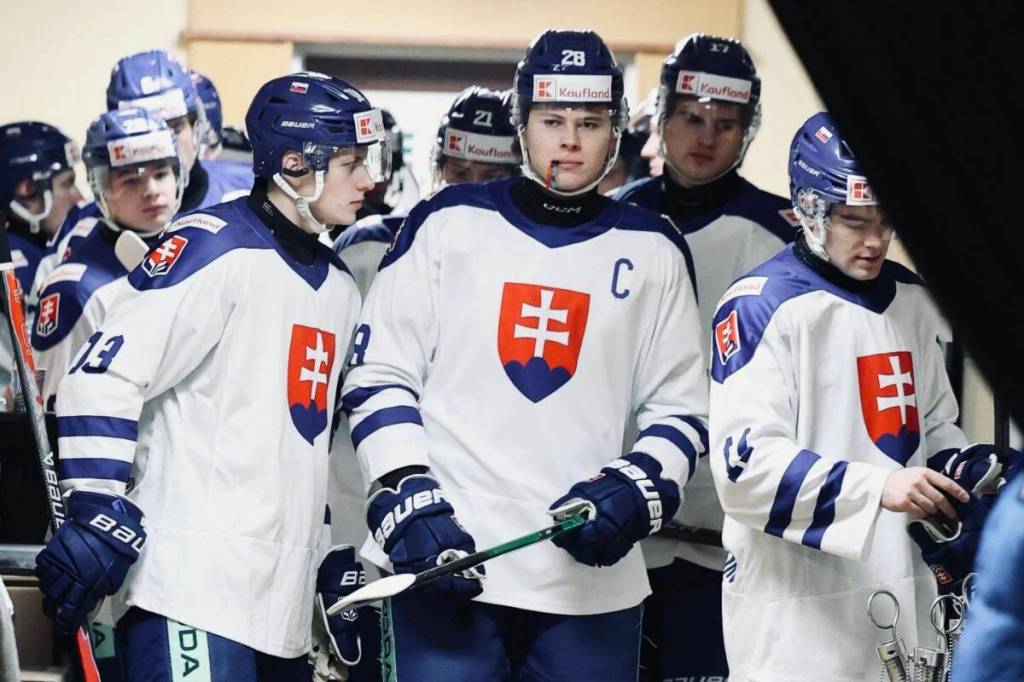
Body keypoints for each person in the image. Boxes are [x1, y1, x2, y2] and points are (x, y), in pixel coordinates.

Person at [341, 29, 707, 680]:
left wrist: (643, 483)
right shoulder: (445, 222)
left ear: (615, 131)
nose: (569, 139)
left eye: (589, 122)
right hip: (446, 558)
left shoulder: (655, 248)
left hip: (590, 581)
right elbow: (379, 374)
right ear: (523, 125)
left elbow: (681, 407)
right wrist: (404, 488)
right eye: (552, 119)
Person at [32, 71, 391, 680]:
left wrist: (331, 556)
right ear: (294, 164)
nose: (369, 179)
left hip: (281, 606)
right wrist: (96, 504)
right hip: (188, 592)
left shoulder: (337, 284)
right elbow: (103, 376)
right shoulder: (211, 248)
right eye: (351, 162)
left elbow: (310, 446)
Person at [707, 112, 1007, 681]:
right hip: (797, 615)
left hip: (904, 595)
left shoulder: (914, 300)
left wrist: (965, 468)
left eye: (885, 219)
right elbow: (742, 470)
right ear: (809, 209)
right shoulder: (758, 306)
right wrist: (879, 486)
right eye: (853, 220)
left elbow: (931, 428)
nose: (875, 240)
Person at [613, 33, 796, 680]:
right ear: (662, 116)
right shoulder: (607, 222)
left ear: (748, 130)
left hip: (729, 552)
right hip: (614, 542)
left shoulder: (786, 239)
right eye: (692, 118)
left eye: (726, 123)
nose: (705, 136)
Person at [31, 108, 184, 407]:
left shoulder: (197, 247)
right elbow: (49, 414)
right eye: (130, 181)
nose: (152, 190)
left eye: (161, 174)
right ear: (100, 190)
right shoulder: (73, 290)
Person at [334, 85, 521, 299]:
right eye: (460, 173)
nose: (471, 189)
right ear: (439, 169)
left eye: (492, 178)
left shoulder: (535, 255)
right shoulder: (369, 245)